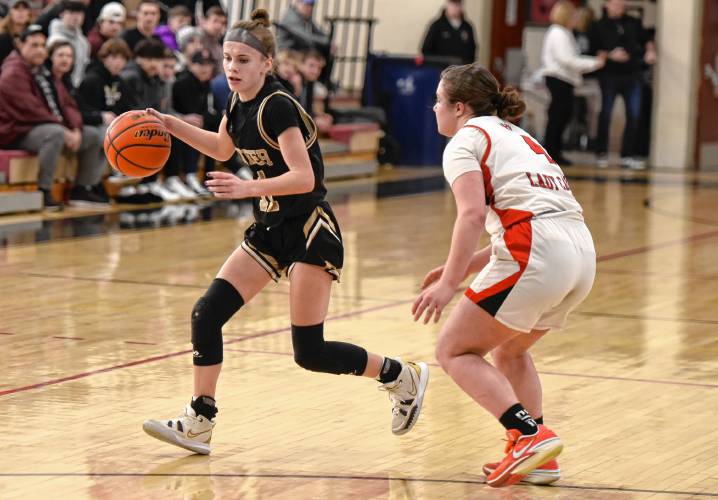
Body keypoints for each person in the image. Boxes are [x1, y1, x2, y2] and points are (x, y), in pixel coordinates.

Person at [141, 9, 430, 454]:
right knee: (206, 314)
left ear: (267, 64)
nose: (232, 68)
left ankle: (400, 375)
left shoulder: (277, 106)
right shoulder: (236, 102)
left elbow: (304, 177)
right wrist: (170, 124)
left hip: (310, 229)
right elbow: (221, 147)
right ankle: (199, 420)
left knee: (309, 352)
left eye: (242, 60)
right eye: (227, 59)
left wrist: (245, 187)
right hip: (270, 228)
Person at [415, 63, 595, 487]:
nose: (433, 107)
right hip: (581, 254)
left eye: (439, 100)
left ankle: (529, 435)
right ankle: (538, 458)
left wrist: (448, 285)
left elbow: (473, 214)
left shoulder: (465, 141)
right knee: (510, 351)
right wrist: (463, 267)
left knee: (453, 351)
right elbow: (527, 212)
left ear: (459, 108)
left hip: (537, 249)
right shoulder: (519, 135)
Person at [0, 26, 106, 209]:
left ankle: (81, 188)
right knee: (54, 134)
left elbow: (68, 104)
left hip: (47, 126)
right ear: (20, 45)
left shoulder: (44, 71)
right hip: (17, 131)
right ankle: (44, 190)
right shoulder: (12, 73)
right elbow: (30, 110)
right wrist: (64, 129)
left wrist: (76, 128)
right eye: (34, 45)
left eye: (43, 45)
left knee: (96, 136)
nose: (40, 50)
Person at [588, 0, 656, 169]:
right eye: (616, 4)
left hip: (632, 75)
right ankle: (601, 152)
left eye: (622, 4)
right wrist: (611, 55)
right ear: (607, 5)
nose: (619, 7)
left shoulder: (633, 22)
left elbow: (647, 38)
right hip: (609, 75)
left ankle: (628, 155)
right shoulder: (598, 25)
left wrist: (650, 50)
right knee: (606, 113)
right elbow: (592, 51)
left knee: (633, 115)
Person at [540, 1, 607, 166]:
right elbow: (568, 60)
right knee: (557, 116)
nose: (576, 18)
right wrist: (594, 63)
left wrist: (592, 63)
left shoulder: (566, 33)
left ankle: (555, 151)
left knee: (562, 116)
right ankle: (551, 152)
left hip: (566, 79)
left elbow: (572, 58)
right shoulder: (558, 33)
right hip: (558, 79)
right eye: (574, 15)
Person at [46, 38, 109, 206]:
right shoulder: (46, 80)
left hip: (71, 129)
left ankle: (88, 186)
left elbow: (79, 109)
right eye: (60, 55)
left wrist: (82, 126)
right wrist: (73, 129)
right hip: (54, 130)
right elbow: (54, 111)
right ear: (50, 57)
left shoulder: (67, 82)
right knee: (96, 135)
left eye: (69, 56)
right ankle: (83, 187)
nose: (65, 59)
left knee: (105, 134)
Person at [77, 37, 130, 129]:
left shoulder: (120, 82)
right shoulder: (91, 80)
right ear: (104, 58)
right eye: (114, 57)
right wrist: (100, 117)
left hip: (114, 124)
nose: (118, 62)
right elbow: (81, 111)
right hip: (94, 125)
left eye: (122, 58)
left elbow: (125, 108)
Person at [47, 0, 90, 87]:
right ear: (62, 14)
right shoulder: (55, 40)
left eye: (79, 13)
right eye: (71, 13)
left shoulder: (84, 42)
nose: (75, 17)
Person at [421, 0, 477, 65]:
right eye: (452, 4)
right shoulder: (437, 26)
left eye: (457, 4)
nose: (455, 7)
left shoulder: (468, 27)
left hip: (462, 71)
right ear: (446, 5)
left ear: (461, 6)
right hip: (441, 70)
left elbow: (472, 51)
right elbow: (426, 50)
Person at [0, 0, 32, 67]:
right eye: (16, 8)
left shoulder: (34, 35)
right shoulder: (2, 38)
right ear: (10, 12)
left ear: (29, 12)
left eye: (24, 8)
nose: (21, 12)